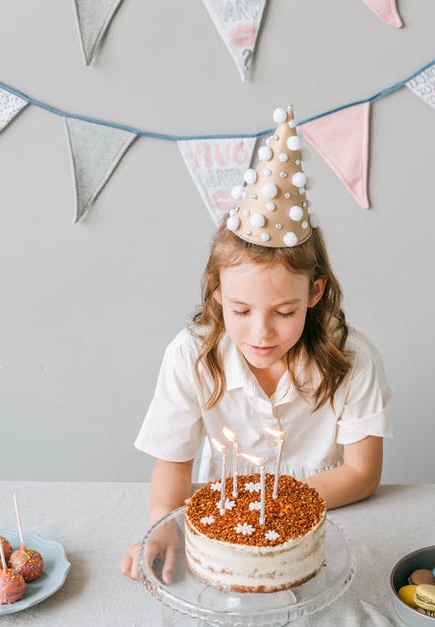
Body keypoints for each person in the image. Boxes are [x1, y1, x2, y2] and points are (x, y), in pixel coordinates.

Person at [118, 106, 393, 583]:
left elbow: (362, 474)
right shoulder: (190, 357)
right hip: (220, 544)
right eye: (241, 311)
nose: (261, 332)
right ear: (216, 291)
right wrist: (161, 525)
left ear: (316, 292)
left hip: (318, 537)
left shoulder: (354, 360)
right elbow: (174, 464)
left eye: (284, 312)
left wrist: (274, 511)